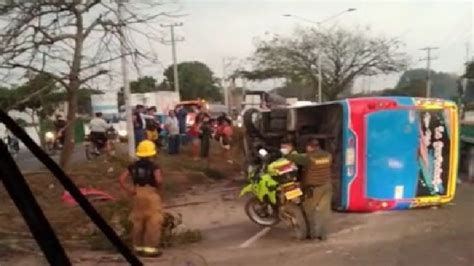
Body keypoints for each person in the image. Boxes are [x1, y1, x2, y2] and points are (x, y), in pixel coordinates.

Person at [118, 140, 164, 257]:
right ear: (151, 153)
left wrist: (130, 190)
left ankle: (137, 247)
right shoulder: (154, 167)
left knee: (138, 221)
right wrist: (158, 189)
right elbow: (158, 180)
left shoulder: (133, 166)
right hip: (150, 194)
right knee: (153, 221)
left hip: (137, 194)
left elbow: (121, 179)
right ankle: (151, 249)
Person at [281, 137, 332, 241]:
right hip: (327, 186)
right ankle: (323, 235)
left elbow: (292, 158)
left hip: (314, 189)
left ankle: (313, 235)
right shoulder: (328, 156)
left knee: (309, 211)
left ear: (309, 147)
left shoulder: (309, 158)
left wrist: (286, 152)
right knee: (323, 212)